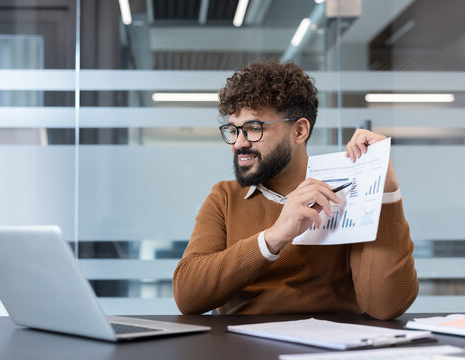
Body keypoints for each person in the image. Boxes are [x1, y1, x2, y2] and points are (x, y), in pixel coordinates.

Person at [172, 61, 418, 320]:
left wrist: (385, 189)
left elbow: (385, 306)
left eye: (254, 128)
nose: (239, 143)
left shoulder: (344, 195)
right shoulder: (224, 197)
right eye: (233, 130)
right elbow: (188, 295)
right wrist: (274, 236)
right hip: (242, 347)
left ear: (299, 130)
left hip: (331, 348)